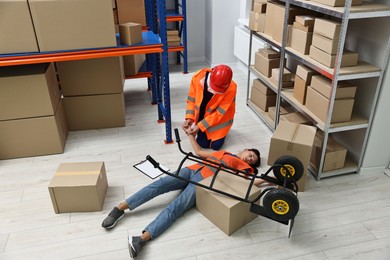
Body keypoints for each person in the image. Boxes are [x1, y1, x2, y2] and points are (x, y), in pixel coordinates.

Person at [101, 132, 261, 258]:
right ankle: (120, 208)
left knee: (176, 207)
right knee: (159, 184)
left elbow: (247, 184)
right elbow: (199, 152)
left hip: (203, 182)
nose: (251, 159)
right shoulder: (223, 152)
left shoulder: (244, 168)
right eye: (251, 154)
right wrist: (190, 134)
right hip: (191, 169)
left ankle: (142, 239)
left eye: (253, 160)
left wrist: (272, 180)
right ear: (246, 149)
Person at [182, 64, 236, 150]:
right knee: (202, 144)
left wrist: (199, 126)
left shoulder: (232, 88)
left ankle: (224, 134)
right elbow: (191, 101)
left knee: (215, 146)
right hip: (203, 115)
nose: (215, 91)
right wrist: (189, 118)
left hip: (219, 121)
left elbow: (219, 113)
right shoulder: (197, 78)